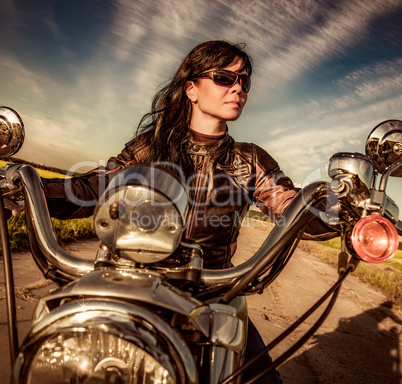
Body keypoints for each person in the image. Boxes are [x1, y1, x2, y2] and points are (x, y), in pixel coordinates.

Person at [42, 40, 334, 383]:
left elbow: (288, 202)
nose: (238, 87)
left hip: (212, 295)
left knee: (261, 378)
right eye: (225, 77)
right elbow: (93, 188)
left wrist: (341, 213)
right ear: (191, 89)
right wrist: (24, 187)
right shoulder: (149, 147)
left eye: (244, 81)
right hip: (135, 285)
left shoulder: (249, 159)